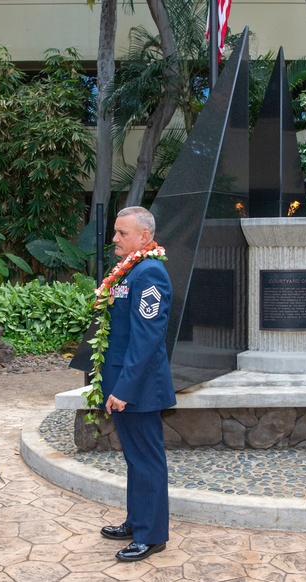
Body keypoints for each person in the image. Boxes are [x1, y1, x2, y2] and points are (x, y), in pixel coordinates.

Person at [98, 206, 176, 562]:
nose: (115, 238)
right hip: (126, 383)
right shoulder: (131, 270)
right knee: (134, 458)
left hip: (139, 388)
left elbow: (145, 341)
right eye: (115, 232)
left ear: (144, 237)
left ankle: (152, 534)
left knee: (146, 460)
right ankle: (136, 520)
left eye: (122, 233)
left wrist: (124, 390)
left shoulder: (150, 274)